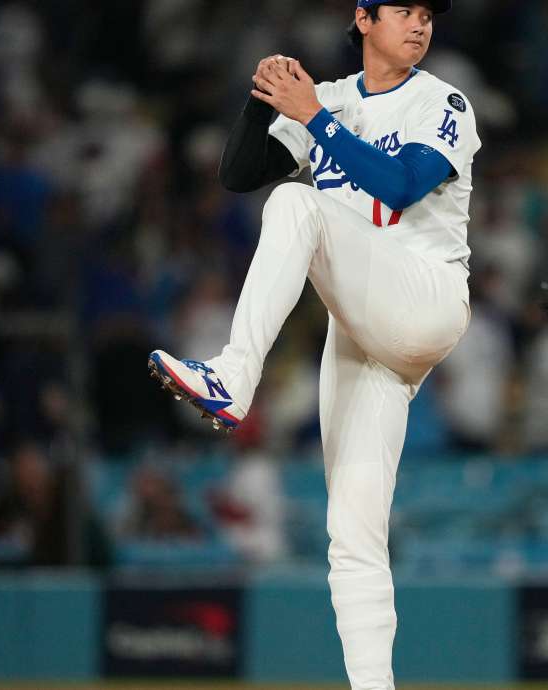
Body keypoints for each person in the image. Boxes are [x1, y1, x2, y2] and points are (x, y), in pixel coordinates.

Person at [146, 1, 477, 687]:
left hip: (425, 294)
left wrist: (313, 117)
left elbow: (403, 184)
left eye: (427, 13)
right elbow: (238, 172)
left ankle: (236, 376)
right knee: (352, 536)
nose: (420, 23)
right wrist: (261, 98)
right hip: (364, 327)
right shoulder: (325, 98)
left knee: (298, 205)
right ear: (363, 18)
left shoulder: (442, 100)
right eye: (402, 10)